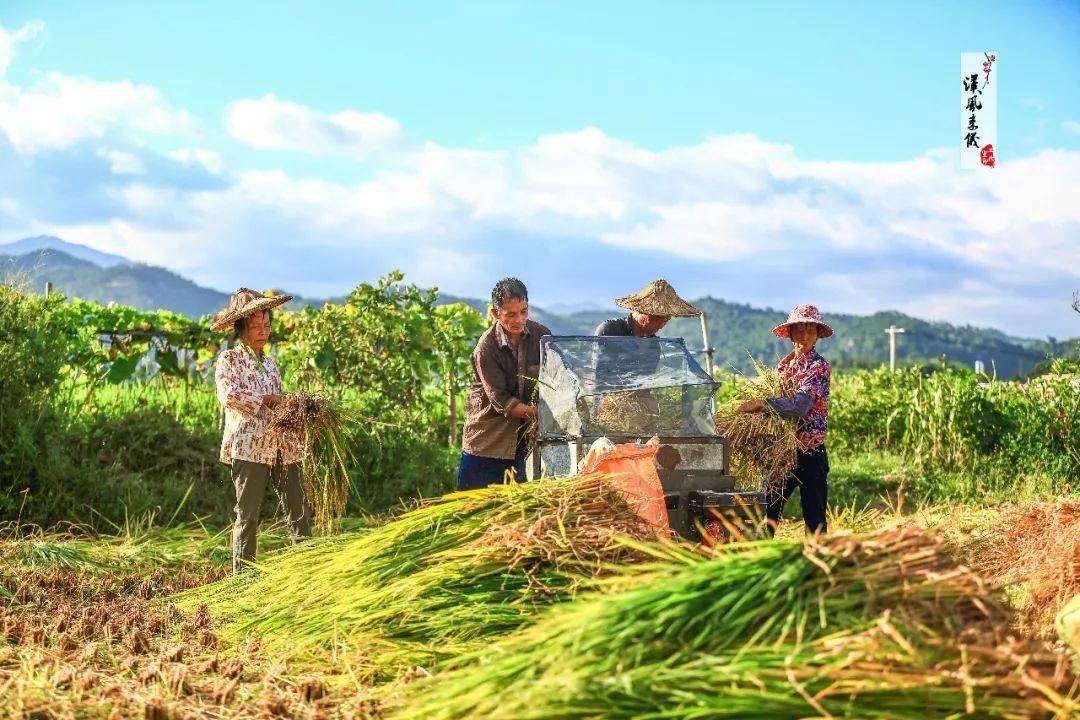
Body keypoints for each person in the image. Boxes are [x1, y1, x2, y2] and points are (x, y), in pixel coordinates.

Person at [212, 288, 311, 573]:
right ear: (241, 328)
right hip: (249, 446)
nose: (263, 331)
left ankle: (305, 568)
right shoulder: (229, 360)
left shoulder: (270, 364)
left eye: (267, 325)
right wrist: (264, 400)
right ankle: (242, 576)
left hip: (282, 446)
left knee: (299, 508)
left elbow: (279, 402)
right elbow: (229, 395)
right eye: (256, 326)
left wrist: (295, 408)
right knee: (248, 515)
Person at [738, 304, 832, 536]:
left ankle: (817, 564)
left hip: (810, 453)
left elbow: (800, 406)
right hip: (782, 453)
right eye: (799, 330)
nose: (805, 336)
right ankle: (761, 561)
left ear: (818, 334)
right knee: (766, 513)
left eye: (810, 330)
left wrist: (763, 403)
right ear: (790, 334)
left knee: (815, 520)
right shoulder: (784, 366)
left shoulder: (818, 367)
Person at [458, 278, 551, 490]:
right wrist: (544, 414)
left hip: (523, 440)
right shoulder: (487, 347)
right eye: (511, 314)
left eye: (524, 311)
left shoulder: (542, 336)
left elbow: (557, 377)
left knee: (518, 510)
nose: (519, 319)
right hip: (488, 442)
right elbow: (502, 402)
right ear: (495, 313)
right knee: (473, 509)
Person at [593, 279, 701, 338]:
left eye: (667, 318)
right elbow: (600, 375)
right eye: (659, 317)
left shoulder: (653, 346)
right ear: (643, 311)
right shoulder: (609, 331)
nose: (662, 324)